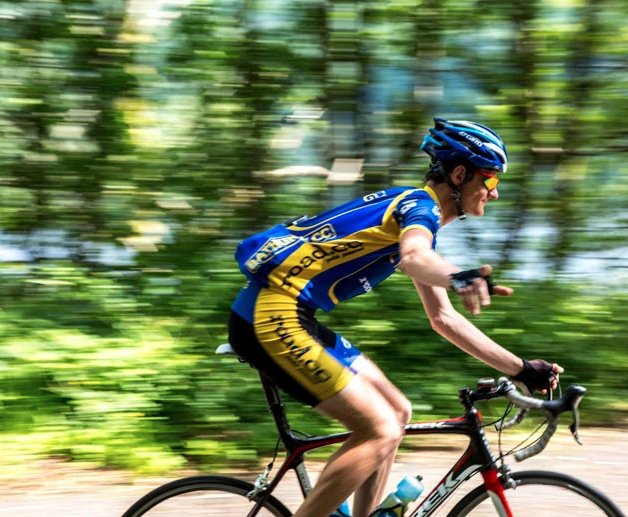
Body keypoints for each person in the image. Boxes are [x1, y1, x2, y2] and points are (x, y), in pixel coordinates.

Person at [228, 117, 564, 517]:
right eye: (490, 179)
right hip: (271, 315)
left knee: (398, 412)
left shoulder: (410, 215)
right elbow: (415, 256)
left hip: (291, 314)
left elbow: (444, 319)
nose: (494, 192)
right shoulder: (419, 208)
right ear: (459, 175)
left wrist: (521, 368)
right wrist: (460, 276)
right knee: (380, 430)